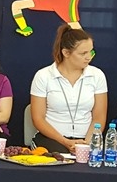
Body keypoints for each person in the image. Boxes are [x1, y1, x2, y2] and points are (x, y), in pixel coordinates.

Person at [29, 25, 107, 153]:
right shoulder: (43, 76)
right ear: (66, 53)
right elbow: (38, 119)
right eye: (83, 53)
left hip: (86, 138)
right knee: (59, 157)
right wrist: (66, 142)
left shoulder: (97, 75)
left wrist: (87, 144)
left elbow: (99, 116)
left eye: (91, 52)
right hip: (52, 139)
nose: (89, 57)